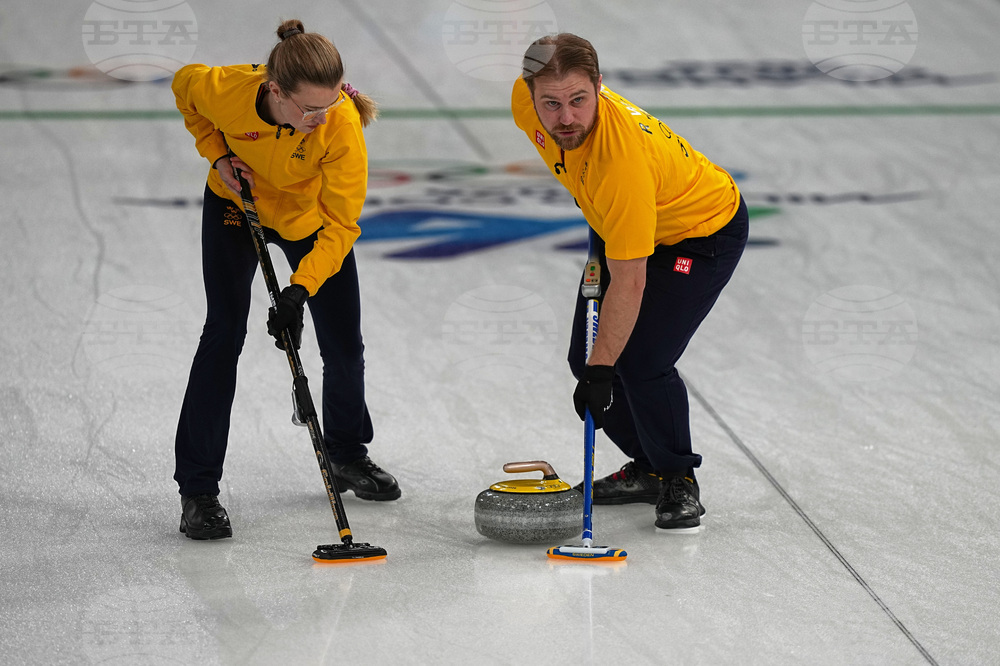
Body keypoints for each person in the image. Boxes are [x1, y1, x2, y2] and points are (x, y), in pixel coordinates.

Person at [171, 19, 400, 540]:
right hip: (236, 206)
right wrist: (218, 155)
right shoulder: (227, 89)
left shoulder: (339, 125)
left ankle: (346, 453)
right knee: (222, 334)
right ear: (275, 90)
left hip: (308, 220)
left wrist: (301, 288)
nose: (321, 119)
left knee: (344, 345)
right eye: (309, 110)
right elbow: (184, 86)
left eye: (330, 105)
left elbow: (343, 224)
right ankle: (198, 490)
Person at [512, 34, 748, 530]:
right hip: (615, 223)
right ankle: (649, 469)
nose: (566, 118)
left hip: (697, 238)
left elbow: (632, 282)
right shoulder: (525, 104)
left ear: (600, 86)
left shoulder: (622, 162)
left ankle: (678, 478)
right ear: (529, 94)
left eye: (579, 100)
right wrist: (595, 368)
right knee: (586, 357)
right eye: (550, 104)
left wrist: (604, 373)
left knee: (640, 360)